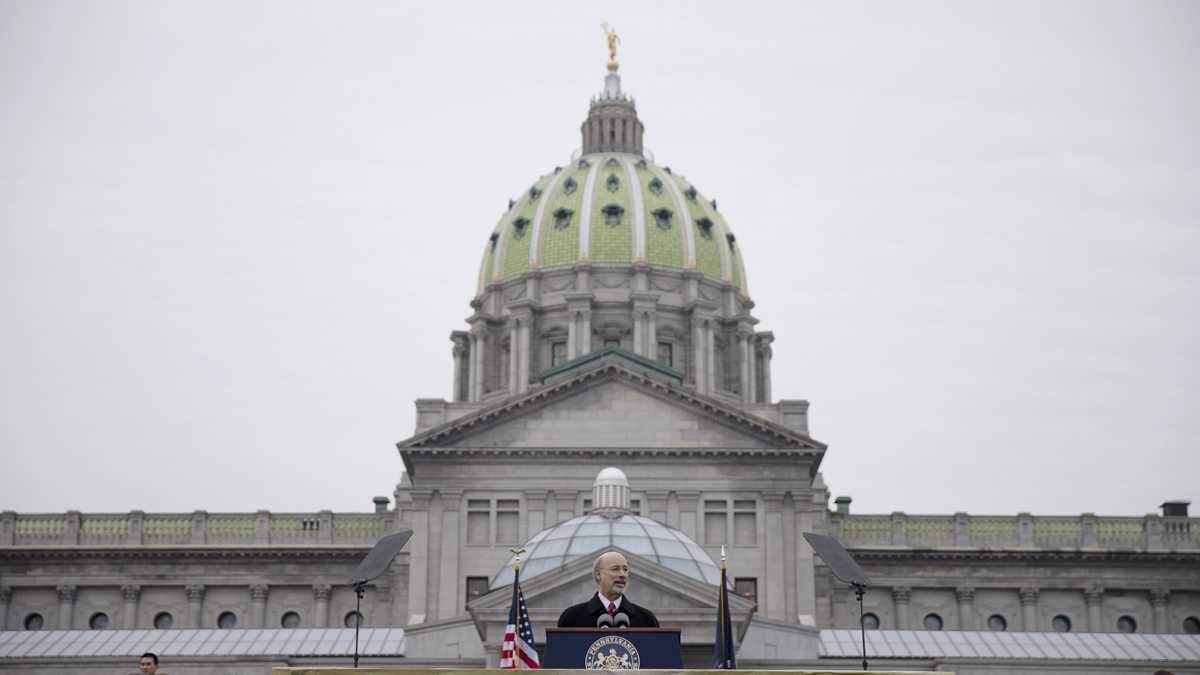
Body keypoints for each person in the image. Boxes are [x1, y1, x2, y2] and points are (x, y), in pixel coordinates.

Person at [557, 550, 660, 628]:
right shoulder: (572, 618)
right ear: (598, 574)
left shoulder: (646, 619)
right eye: (615, 569)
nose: (622, 574)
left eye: (625, 569)